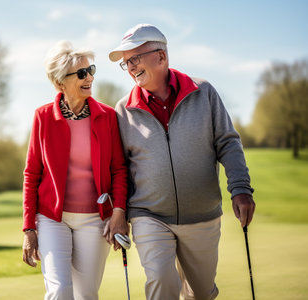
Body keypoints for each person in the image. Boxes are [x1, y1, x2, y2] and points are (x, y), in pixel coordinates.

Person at [109, 24, 256, 300]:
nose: (130, 67)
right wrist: (119, 212)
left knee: (200, 293)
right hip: (148, 214)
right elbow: (119, 168)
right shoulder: (122, 111)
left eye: (135, 58)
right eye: (126, 62)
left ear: (161, 56)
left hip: (201, 216)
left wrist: (241, 188)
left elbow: (228, 142)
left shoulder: (204, 93)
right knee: (162, 280)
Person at [22, 40, 128, 300]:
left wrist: (119, 213)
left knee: (87, 294)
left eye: (90, 70)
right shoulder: (43, 117)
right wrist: (29, 229)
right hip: (52, 218)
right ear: (60, 83)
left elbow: (119, 170)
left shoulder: (108, 116)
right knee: (60, 290)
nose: (89, 77)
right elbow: (31, 174)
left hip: (95, 219)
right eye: (81, 73)